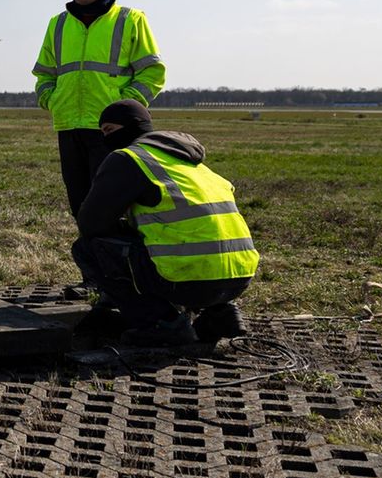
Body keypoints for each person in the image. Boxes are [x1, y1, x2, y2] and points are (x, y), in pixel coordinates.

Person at [72, 100, 258, 346]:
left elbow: (91, 223)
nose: (105, 138)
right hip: (239, 277)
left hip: (189, 281)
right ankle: (221, 314)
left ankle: (161, 323)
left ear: (132, 127)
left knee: (89, 247)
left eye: (109, 130)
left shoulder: (129, 159)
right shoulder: (190, 162)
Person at [33, 0, 166, 218]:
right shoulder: (57, 23)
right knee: (80, 206)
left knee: (114, 205)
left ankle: (120, 256)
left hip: (112, 130)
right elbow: (44, 73)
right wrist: (51, 99)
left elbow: (152, 71)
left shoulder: (131, 20)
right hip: (69, 125)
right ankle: (92, 254)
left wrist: (124, 107)